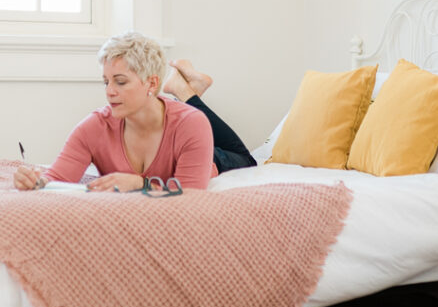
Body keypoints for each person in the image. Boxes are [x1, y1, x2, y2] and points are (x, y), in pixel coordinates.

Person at [13, 32, 256, 192]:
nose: (109, 92)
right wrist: (35, 181)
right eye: (105, 81)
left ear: (151, 84)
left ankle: (186, 92)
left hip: (211, 158)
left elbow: (191, 194)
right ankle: (185, 89)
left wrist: (142, 184)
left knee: (246, 159)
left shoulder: (191, 125)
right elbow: (55, 179)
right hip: (173, 122)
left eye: (120, 82)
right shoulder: (94, 126)